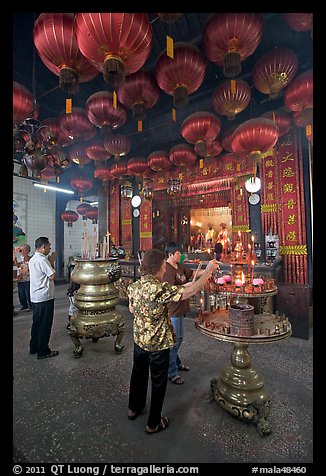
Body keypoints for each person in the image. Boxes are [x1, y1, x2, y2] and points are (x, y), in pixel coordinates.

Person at [127, 248, 219, 434]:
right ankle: (153, 423)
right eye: (163, 267)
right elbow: (190, 290)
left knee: (138, 374)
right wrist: (208, 271)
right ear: (157, 268)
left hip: (139, 340)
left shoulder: (134, 287)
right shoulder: (160, 289)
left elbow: (131, 309)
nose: (164, 271)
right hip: (158, 343)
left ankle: (133, 408)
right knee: (158, 382)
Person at [163, 241, 209, 385]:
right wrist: (185, 286)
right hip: (173, 309)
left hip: (181, 307)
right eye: (178, 253)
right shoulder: (167, 270)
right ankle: (171, 372)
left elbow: (192, 273)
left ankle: (176, 363)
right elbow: (169, 291)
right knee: (176, 340)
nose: (181, 255)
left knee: (178, 339)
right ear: (170, 255)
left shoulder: (180, 266)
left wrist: (207, 270)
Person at [28, 236, 58, 360]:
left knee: (37, 323)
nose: (50, 248)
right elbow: (52, 276)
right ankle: (43, 351)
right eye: (49, 246)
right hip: (44, 296)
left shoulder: (33, 259)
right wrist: (52, 261)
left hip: (35, 296)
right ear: (43, 247)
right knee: (44, 325)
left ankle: (34, 347)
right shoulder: (42, 260)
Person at [14, 244, 32, 311]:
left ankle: (30, 306)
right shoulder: (20, 258)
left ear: (27, 250)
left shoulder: (30, 258)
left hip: (28, 278)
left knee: (28, 293)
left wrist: (24, 255)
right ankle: (24, 305)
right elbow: (18, 265)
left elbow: (27, 261)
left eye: (22, 250)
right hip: (21, 277)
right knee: (21, 293)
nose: (21, 251)